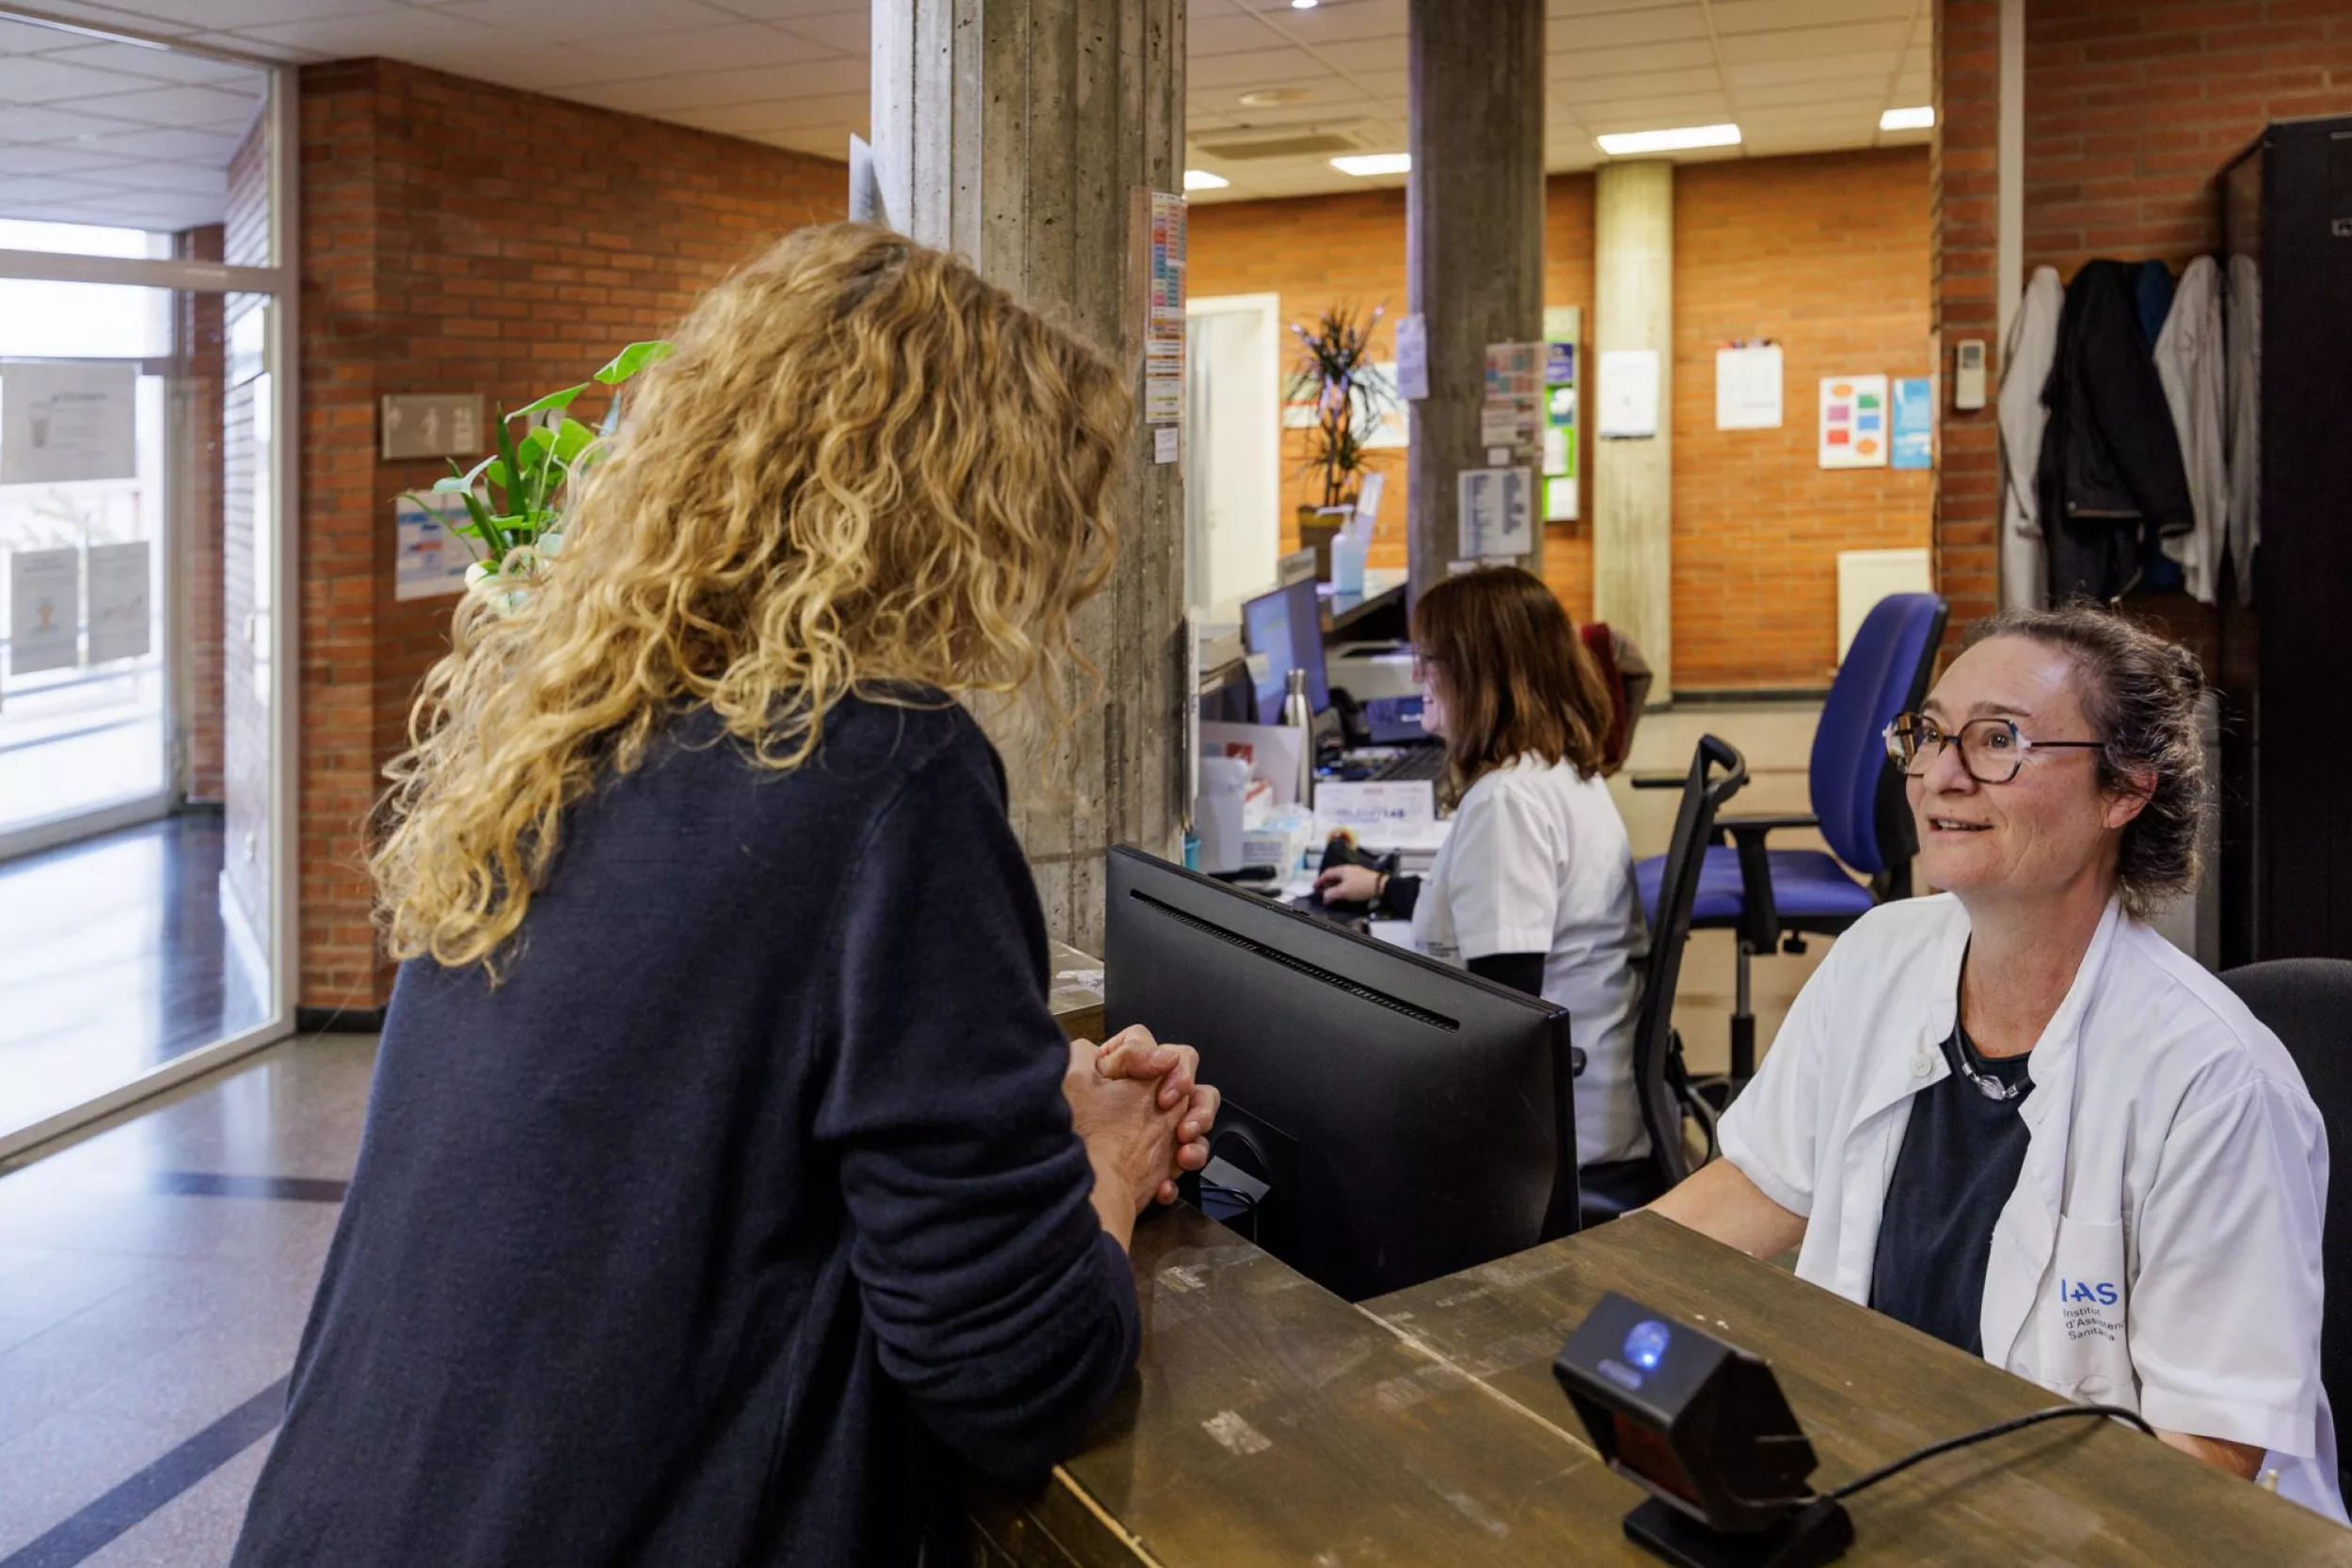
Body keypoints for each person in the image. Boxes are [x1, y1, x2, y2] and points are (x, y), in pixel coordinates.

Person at [230, 225, 1220, 1568]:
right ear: (955, 512)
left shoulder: (567, 733)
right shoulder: (887, 765)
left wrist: (1012, 1122)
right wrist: (1110, 1161)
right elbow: (1015, 1373)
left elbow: (682, 1123)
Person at [1650, 606, 2341, 1518]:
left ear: (2124, 789)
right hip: (1886, 1479)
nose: (1941, 773)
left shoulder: (2216, 1082)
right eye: (1931, 733)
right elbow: (1758, 1186)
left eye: (1998, 740)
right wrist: (1558, 1295)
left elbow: (2207, 1455)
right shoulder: (1878, 957)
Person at [1314, 566, 1650, 1187]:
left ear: (1480, 671)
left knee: (1316, 1096)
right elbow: (1500, 916)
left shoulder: (1506, 803)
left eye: (1429, 659)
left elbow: (1500, 1013)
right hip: (1590, 1093)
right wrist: (1386, 888)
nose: (1417, 676)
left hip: (1550, 1132)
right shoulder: (1557, 769)